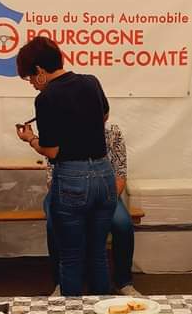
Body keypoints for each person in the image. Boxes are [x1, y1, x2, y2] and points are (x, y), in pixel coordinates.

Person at [16, 35, 116, 296]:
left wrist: (31, 139)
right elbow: (104, 115)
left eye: (30, 78)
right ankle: (104, 312)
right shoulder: (91, 81)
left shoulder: (46, 97)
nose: (32, 84)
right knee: (98, 254)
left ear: (39, 70)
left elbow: (51, 151)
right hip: (104, 174)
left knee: (71, 258)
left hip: (72, 177)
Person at [44, 122, 141, 297]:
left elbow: (120, 173)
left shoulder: (112, 132)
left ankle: (123, 281)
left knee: (123, 224)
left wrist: (108, 200)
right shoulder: (62, 130)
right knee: (54, 225)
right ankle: (60, 283)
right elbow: (52, 177)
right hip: (65, 192)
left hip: (105, 192)